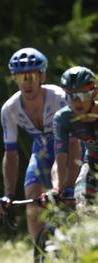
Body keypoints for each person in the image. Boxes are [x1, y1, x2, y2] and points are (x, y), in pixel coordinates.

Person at [0, 48, 78, 245]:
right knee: (32, 200)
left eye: (31, 76)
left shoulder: (59, 98)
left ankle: (77, 244)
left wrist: (66, 184)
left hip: (69, 146)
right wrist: (8, 195)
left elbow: (71, 145)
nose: (27, 83)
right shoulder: (10, 109)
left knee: (71, 199)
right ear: (15, 79)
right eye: (21, 78)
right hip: (42, 150)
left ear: (42, 76)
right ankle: (41, 255)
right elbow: (11, 154)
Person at [53, 66, 97, 204]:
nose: (77, 101)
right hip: (92, 162)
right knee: (82, 202)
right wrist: (59, 188)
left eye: (82, 95)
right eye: (71, 96)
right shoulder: (63, 118)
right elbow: (61, 155)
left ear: (94, 93)